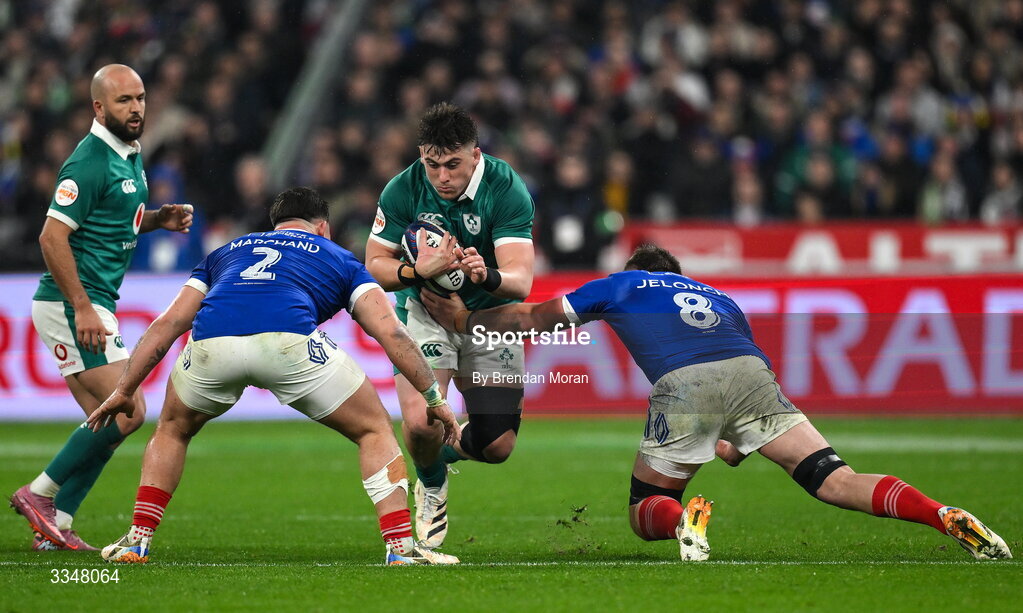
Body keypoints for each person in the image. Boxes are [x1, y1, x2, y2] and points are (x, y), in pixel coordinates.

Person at [421, 244, 1013, 562]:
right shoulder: (720, 296)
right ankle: (940, 514)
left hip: (686, 385)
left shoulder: (622, 285)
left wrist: (466, 318)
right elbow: (737, 376)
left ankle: (685, 519)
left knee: (645, 512)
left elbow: (531, 317)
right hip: (752, 374)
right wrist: (730, 440)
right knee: (835, 479)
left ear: (635, 273)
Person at [86, 187, 461, 566]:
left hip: (211, 343)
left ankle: (137, 541)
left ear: (275, 225)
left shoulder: (226, 252)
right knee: (374, 429)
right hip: (288, 343)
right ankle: (400, 549)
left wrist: (124, 389)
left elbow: (169, 323)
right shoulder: (339, 256)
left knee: (171, 428)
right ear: (323, 227)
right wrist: (434, 398)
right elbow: (392, 333)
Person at [10, 64, 194, 551]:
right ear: (98, 107)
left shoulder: (128, 152)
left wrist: (158, 220)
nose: (136, 109)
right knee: (129, 409)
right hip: (74, 305)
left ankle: (56, 525)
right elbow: (52, 237)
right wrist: (83, 307)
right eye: (123, 101)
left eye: (140, 98)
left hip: (87, 303)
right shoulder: (90, 161)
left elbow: (111, 222)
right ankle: (40, 494)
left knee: (113, 420)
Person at [364, 102, 535, 551]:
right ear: (422, 155)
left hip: (487, 316)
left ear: (475, 155)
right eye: (432, 164)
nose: (442, 176)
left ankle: (442, 454)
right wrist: (416, 272)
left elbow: (521, 279)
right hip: (424, 313)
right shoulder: (402, 188)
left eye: (453, 164)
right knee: (422, 424)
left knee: (498, 447)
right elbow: (375, 264)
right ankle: (431, 479)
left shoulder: (506, 187)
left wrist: (487, 275)